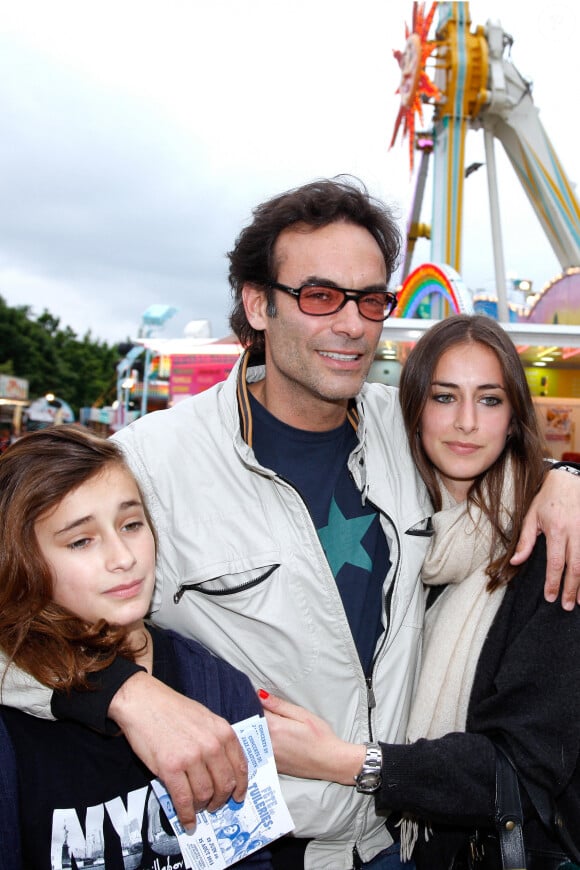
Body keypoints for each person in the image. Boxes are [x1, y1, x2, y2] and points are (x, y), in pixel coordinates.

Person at [3, 179, 580, 870]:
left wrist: (562, 481)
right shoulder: (149, 466)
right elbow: (16, 612)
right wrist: (121, 695)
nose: (351, 323)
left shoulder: (407, 430)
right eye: (319, 296)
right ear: (258, 304)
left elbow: (501, 453)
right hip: (261, 848)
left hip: (400, 840)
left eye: (370, 299)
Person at [259, 314, 580, 867]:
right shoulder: (402, 531)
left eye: (489, 400)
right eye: (444, 396)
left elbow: (522, 767)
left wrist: (342, 760)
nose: (465, 423)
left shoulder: (552, 544)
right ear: (414, 410)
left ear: (513, 418)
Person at [0, 426, 272, 870]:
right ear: (23, 562)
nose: (123, 557)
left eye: (131, 524)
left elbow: (247, 857)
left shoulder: (216, 685)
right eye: (80, 540)